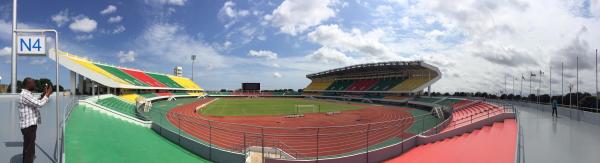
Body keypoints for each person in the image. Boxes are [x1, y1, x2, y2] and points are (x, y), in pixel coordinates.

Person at [18, 78, 53, 163]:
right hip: (28, 126)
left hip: (30, 125)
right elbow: (39, 104)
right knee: (29, 150)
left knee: (29, 148)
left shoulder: (28, 94)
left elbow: (36, 100)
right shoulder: (24, 95)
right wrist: (48, 94)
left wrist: (44, 94)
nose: (35, 84)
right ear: (28, 84)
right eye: (33, 83)